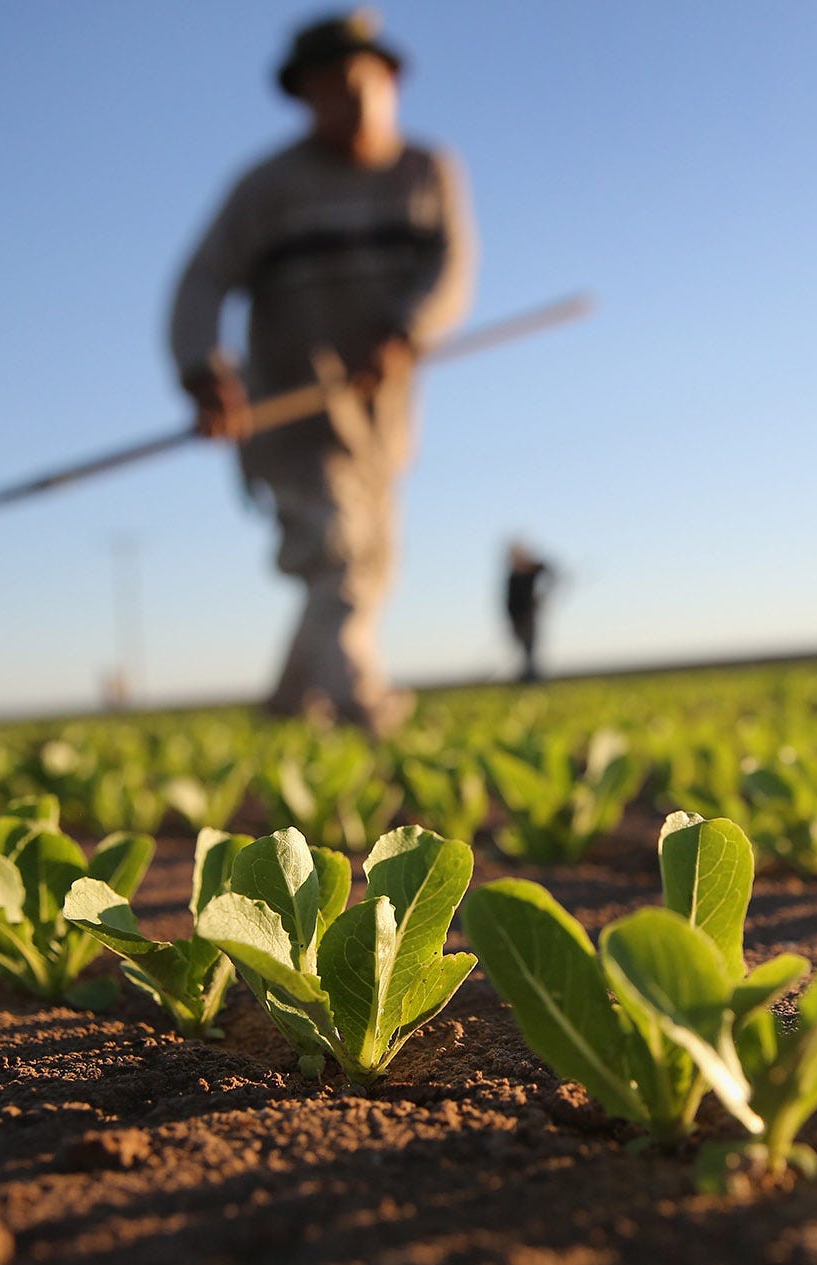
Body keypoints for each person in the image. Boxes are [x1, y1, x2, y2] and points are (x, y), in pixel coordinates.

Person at [169, 10, 475, 735]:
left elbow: (450, 269)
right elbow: (201, 281)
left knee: (369, 561)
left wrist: (405, 330)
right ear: (305, 96)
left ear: (392, 82)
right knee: (337, 555)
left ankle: (285, 706)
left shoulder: (427, 172)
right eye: (332, 88)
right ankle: (362, 707)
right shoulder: (266, 188)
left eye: (364, 83)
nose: (352, 100)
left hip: (382, 418)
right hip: (289, 412)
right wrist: (202, 369)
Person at [504, 542, 556, 682]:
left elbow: (549, 570)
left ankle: (531, 678)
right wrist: (513, 620)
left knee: (530, 649)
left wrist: (543, 596)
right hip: (517, 619)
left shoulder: (531, 569)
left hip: (529, 617)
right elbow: (510, 603)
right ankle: (527, 677)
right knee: (525, 650)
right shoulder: (513, 577)